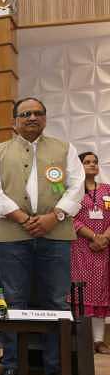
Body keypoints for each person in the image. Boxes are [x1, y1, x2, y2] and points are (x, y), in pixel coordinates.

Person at [0, 97, 85, 375]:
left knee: (56, 301)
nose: (32, 118)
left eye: (37, 113)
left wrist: (55, 216)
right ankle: (12, 365)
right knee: (14, 301)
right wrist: (22, 218)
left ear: (45, 118)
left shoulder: (64, 149)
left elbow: (76, 187)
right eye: (25, 114)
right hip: (12, 236)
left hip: (56, 234)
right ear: (14, 121)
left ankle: (56, 368)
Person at [70, 151, 110, 354]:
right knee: (83, 292)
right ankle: (82, 340)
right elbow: (70, 218)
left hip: (104, 248)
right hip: (81, 248)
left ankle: (98, 341)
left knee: (101, 291)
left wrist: (104, 238)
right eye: (87, 162)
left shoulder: (107, 190)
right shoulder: (73, 191)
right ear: (79, 166)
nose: (92, 165)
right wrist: (93, 236)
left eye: (95, 162)